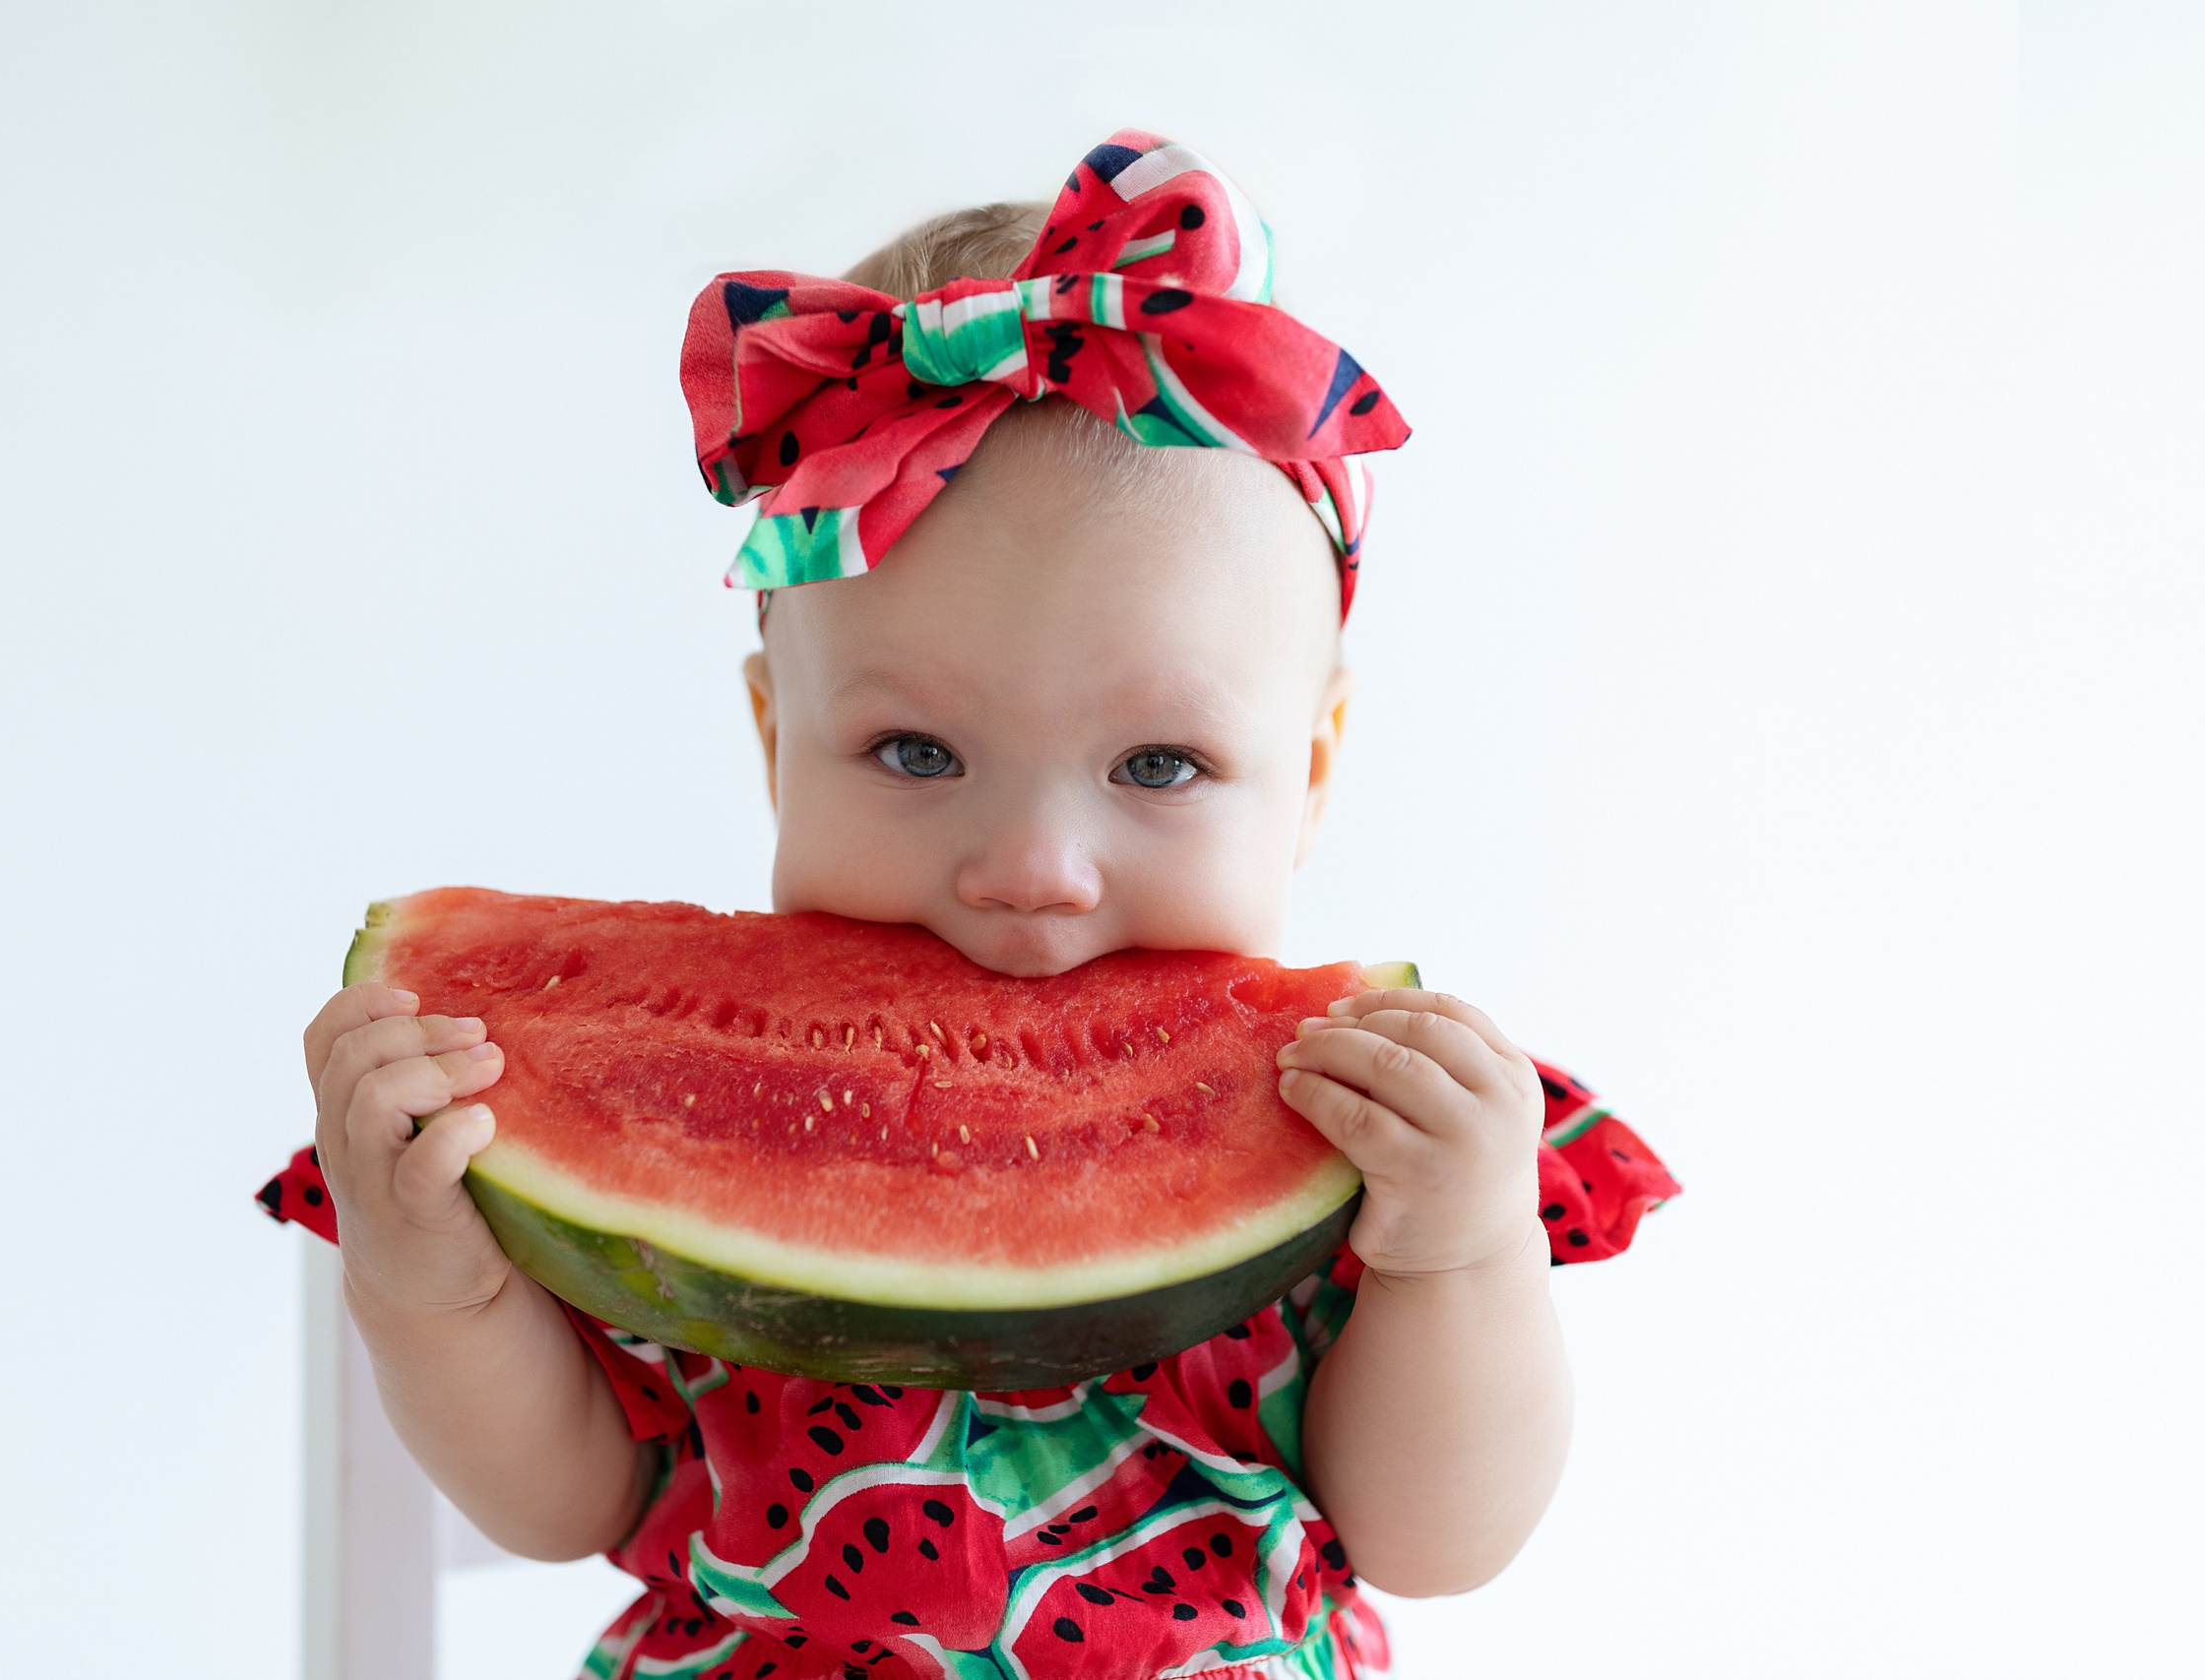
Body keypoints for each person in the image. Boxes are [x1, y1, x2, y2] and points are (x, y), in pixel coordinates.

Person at [259, 130, 1677, 1680]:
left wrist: (1456, 1254)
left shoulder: (1365, 1136)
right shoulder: (654, 1135)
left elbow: (1435, 1541)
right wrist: (438, 1289)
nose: (1033, 867)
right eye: (917, 753)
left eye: (1159, 764)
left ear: (1312, 772)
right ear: (775, 743)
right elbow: (568, 1502)